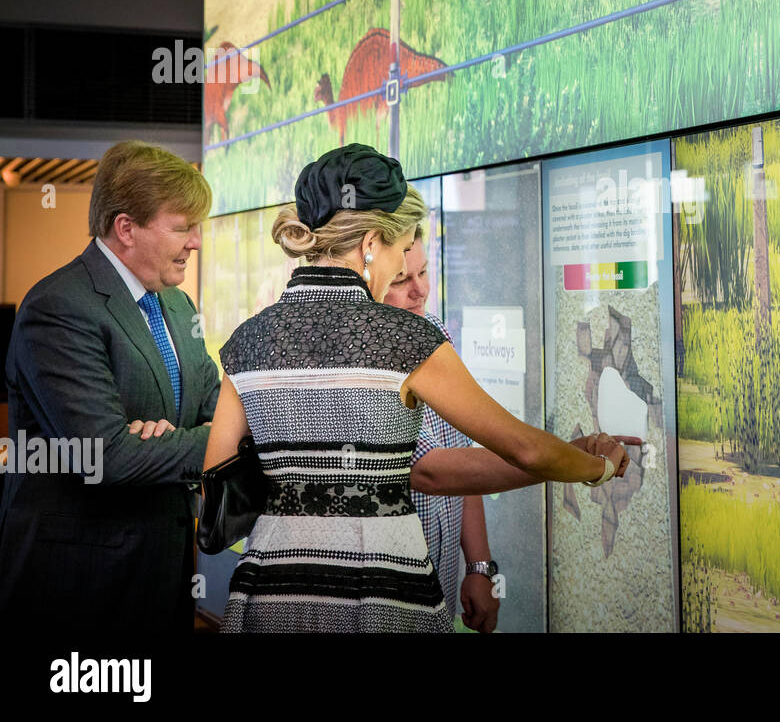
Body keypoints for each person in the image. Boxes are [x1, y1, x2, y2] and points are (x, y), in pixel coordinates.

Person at [204, 144, 631, 632]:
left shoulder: (246, 341)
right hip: (382, 593)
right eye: (401, 249)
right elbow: (523, 449)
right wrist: (596, 467)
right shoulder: (408, 339)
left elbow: (217, 479)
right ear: (370, 243)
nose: (403, 268)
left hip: (269, 592)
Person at [0, 140, 220, 632]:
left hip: (161, 569)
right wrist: (211, 440)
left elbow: (217, 403)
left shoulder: (177, 305)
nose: (196, 242)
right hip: (79, 581)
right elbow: (107, 456)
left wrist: (170, 439)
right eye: (183, 227)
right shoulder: (58, 307)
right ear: (126, 228)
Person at [384, 225, 499, 633]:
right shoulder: (365, 361)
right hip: (390, 603)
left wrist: (479, 567)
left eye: (423, 272)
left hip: (443, 590)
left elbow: (461, 452)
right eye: (401, 279)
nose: (420, 290)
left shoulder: (437, 334)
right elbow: (433, 469)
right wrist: (565, 460)